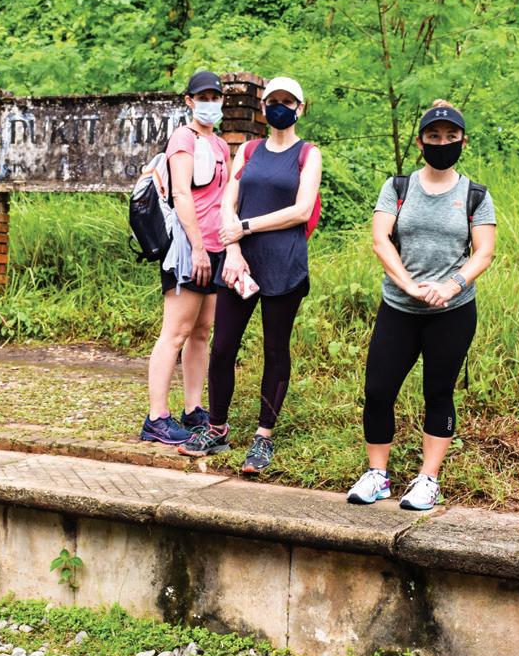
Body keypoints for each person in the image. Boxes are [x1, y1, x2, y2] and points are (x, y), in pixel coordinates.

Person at [346, 101, 496, 511]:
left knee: (438, 392)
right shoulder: (398, 188)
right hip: (399, 307)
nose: (442, 143)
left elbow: (483, 252)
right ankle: (377, 474)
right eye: (434, 136)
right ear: (420, 142)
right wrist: (408, 285)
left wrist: (451, 286)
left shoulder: (475, 195)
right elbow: (381, 240)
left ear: (463, 141)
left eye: (450, 137)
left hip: (452, 312)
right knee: (378, 390)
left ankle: (428, 479)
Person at [178, 76, 322, 474]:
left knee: (275, 350)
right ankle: (217, 428)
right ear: (263, 108)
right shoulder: (248, 150)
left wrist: (245, 227)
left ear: (300, 109)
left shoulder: (308, 154)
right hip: (239, 263)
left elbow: (301, 210)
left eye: (287, 102)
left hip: (284, 264)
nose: (279, 107)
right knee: (223, 346)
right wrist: (234, 249)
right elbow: (229, 203)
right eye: (273, 101)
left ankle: (263, 436)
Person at [140, 71, 232, 445]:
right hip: (188, 249)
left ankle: (193, 409)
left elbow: (224, 198)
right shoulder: (183, 138)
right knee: (176, 332)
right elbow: (181, 193)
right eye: (203, 97)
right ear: (190, 101)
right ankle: (156, 418)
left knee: (202, 331)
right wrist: (197, 248)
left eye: (215, 96)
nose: (210, 103)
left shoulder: (221, 145)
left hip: (216, 248)